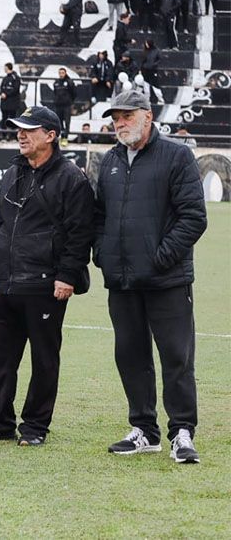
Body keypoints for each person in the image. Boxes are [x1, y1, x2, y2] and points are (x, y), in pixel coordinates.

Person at [0, 106, 95, 446]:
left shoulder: (72, 178)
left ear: (51, 136)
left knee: (43, 360)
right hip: (6, 282)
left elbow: (80, 233)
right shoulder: (13, 173)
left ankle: (35, 427)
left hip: (46, 284)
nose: (21, 135)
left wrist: (67, 275)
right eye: (19, 129)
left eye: (29, 129)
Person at [95, 92, 206, 464]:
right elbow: (99, 217)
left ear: (148, 116)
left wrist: (160, 259)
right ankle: (144, 429)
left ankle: (182, 432)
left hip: (166, 280)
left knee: (176, 357)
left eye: (127, 116)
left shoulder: (177, 156)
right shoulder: (109, 160)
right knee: (130, 356)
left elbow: (193, 217)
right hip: (122, 281)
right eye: (115, 118)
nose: (120, 123)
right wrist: (103, 254)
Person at [51, 68, 76, 141]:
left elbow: (74, 93)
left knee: (67, 121)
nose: (61, 74)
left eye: (62, 73)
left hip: (67, 105)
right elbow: (55, 93)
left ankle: (66, 137)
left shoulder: (69, 82)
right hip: (58, 105)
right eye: (60, 73)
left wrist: (70, 101)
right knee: (59, 121)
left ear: (65, 73)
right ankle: (62, 135)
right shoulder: (56, 82)